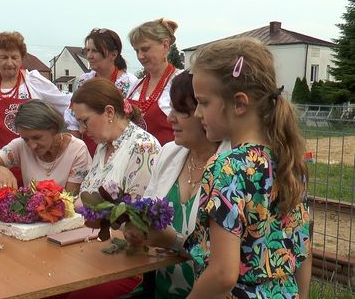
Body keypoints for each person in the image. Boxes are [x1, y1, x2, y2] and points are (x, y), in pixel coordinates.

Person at [128, 38, 312, 298]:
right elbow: (303, 249)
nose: (199, 114)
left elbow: (223, 274)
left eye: (203, 103)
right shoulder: (289, 160)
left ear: (238, 103)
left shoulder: (227, 167)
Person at [125, 70, 230, 298]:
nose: (169, 117)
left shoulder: (234, 168)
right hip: (156, 289)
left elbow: (229, 266)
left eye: (181, 111)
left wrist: (175, 241)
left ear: (208, 113)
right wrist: (138, 229)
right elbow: (149, 213)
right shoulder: (170, 152)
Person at [57, 77, 160, 299]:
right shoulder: (103, 147)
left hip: (130, 260)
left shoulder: (143, 147)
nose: (82, 130)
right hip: (95, 249)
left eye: (85, 121)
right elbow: (88, 200)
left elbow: (137, 223)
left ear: (110, 112)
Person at [0, 31, 71, 192]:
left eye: (14, 57)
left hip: (33, 165)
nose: (9, 63)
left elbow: (66, 107)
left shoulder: (35, 83)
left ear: (22, 58)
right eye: (4, 57)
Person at [0, 99, 91, 194]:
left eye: (37, 137)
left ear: (53, 129)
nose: (32, 145)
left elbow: (69, 200)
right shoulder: (20, 145)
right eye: (26, 139)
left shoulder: (76, 150)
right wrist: (1, 170)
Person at [65, 28, 138, 155]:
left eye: (95, 51)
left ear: (113, 55)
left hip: (120, 149)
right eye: (87, 50)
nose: (89, 56)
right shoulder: (84, 81)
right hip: (89, 147)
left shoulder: (130, 83)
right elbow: (73, 120)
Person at [127, 18, 181, 146]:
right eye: (136, 51)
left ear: (165, 46)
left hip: (168, 161)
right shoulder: (136, 85)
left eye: (145, 49)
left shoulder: (180, 82)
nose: (140, 56)